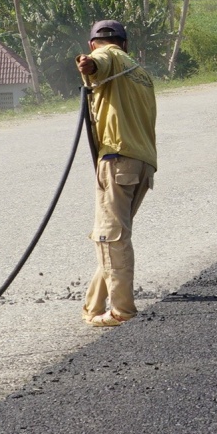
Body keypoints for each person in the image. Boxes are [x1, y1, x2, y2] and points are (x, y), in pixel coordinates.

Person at [75, 20, 157, 327]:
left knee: (111, 238)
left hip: (118, 160)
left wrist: (88, 65)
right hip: (142, 163)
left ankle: (122, 310)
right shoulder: (141, 72)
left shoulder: (108, 56)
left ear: (93, 43)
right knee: (112, 235)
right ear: (126, 42)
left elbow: (98, 62)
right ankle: (92, 307)